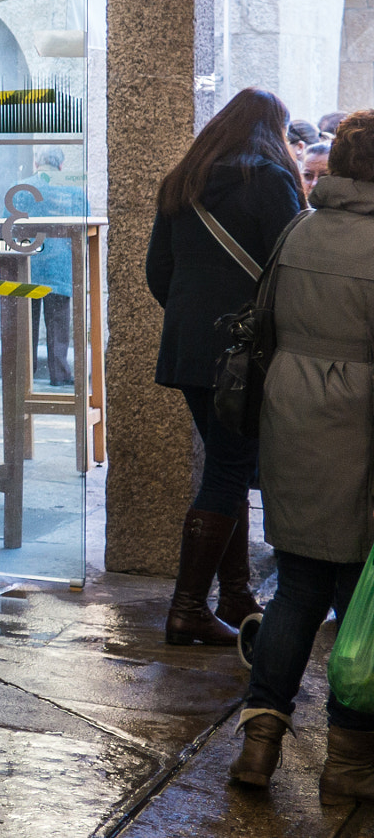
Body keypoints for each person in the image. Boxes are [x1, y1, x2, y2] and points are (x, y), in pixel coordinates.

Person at [229, 111, 374, 796]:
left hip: (291, 421)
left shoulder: (299, 228)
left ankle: (259, 747)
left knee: (295, 591)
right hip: (361, 431)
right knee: (357, 604)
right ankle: (345, 764)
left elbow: (267, 322)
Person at [146, 86, 304, 647]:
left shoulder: (182, 180)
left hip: (189, 348)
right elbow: (292, 264)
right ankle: (188, 607)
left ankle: (235, 595)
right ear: (272, 130)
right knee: (230, 467)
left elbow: (157, 272)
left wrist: (199, 320)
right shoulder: (268, 178)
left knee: (226, 462)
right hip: (246, 353)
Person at [25, 147, 89, 390]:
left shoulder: (21, 188)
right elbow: (87, 227)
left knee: (27, 322)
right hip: (60, 267)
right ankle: (60, 373)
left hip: (28, 265)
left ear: (36, 163)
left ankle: (24, 371)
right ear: (61, 166)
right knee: (59, 324)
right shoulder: (74, 190)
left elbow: (6, 226)